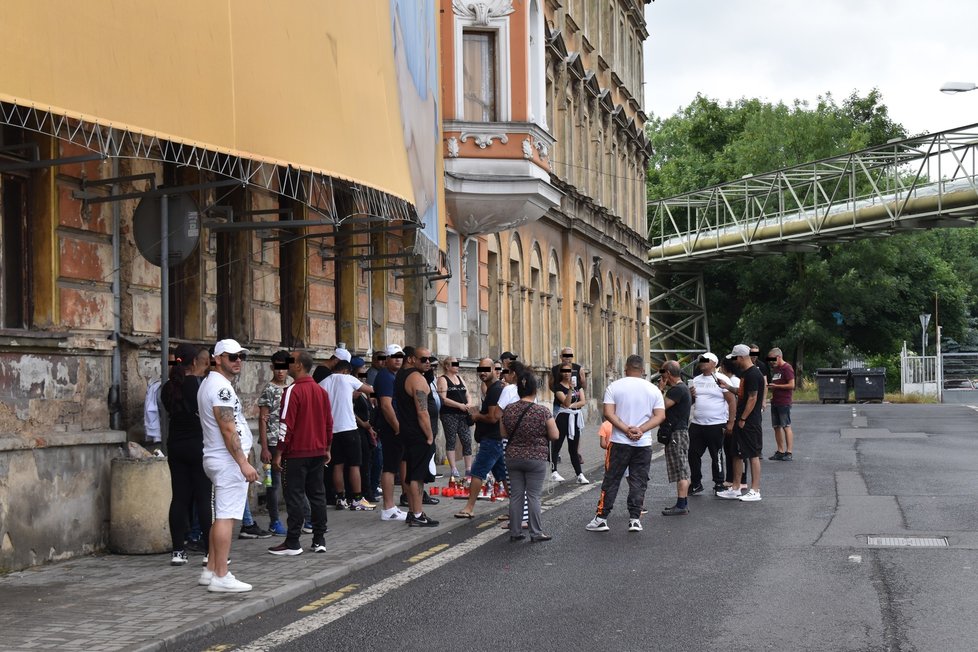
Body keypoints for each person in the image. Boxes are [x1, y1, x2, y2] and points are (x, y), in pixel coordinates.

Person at [197, 339, 258, 592]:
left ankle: (211, 569)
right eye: (232, 356)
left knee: (221, 515)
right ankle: (221, 575)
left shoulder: (210, 384)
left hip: (219, 458)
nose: (238, 361)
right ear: (218, 357)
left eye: (241, 356)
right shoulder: (220, 388)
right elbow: (227, 428)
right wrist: (243, 463)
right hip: (227, 460)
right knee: (226, 517)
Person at [586, 354, 664, 533]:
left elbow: (608, 413)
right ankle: (635, 519)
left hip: (619, 441)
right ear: (643, 371)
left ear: (626, 369)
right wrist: (641, 430)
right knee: (639, 480)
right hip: (643, 443)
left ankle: (601, 518)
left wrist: (625, 429)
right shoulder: (653, 389)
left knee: (612, 479)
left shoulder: (614, 386)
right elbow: (660, 416)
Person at [268, 350, 333, 555]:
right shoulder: (320, 391)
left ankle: (293, 541)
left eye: (291, 361)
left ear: (299, 366)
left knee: (294, 495)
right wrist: (327, 447)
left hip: (296, 453)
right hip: (317, 451)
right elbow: (328, 423)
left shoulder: (292, 391)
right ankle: (319, 539)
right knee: (317, 495)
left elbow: (285, 424)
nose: (287, 364)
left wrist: (279, 452)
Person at [162, 343, 211, 566]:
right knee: (203, 497)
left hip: (175, 446)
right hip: (198, 445)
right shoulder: (199, 386)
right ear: (194, 362)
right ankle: (210, 552)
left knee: (179, 498)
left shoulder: (168, 387)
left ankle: (178, 551)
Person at [500, 370, 559, 542]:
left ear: (518, 391)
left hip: (512, 457)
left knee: (516, 495)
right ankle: (536, 533)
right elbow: (555, 435)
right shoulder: (542, 411)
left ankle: (515, 531)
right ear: (535, 391)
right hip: (536, 458)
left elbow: (503, 433)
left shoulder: (508, 410)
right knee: (533, 495)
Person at [320, 359, 375, 511]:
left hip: (332, 430)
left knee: (337, 464)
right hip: (349, 428)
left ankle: (340, 498)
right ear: (345, 371)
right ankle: (357, 499)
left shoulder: (324, 383)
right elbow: (369, 389)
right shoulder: (348, 378)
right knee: (354, 465)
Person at [394, 346, 439, 527]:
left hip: (407, 431)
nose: (428, 362)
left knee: (411, 473)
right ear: (411, 359)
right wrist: (429, 436)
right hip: (418, 434)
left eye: (429, 359)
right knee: (417, 476)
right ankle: (418, 515)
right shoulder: (417, 379)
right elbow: (423, 412)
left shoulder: (401, 376)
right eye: (423, 359)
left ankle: (413, 512)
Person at [454, 359, 505, 519]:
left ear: (493, 369)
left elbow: (492, 418)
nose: (482, 372)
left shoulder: (495, 390)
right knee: (503, 476)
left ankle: (469, 508)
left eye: (485, 369)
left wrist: (476, 416)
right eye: (480, 369)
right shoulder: (493, 389)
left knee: (477, 472)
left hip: (492, 439)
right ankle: (516, 511)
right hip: (495, 439)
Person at [716, 344, 765, 502]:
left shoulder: (753, 374)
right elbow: (743, 393)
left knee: (753, 454)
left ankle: (755, 490)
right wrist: (727, 387)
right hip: (741, 420)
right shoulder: (745, 374)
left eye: (735, 358)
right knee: (736, 454)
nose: (734, 361)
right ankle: (736, 488)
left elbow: (752, 398)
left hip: (749, 422)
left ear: (742, 357)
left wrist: (743, 418)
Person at [687, 352, 736, 496]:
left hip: (716, 423)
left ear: (714, 363)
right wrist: (691, 396)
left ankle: (719, 483)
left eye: (705, 361)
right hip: (697, 423)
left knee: (717, 455)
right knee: (693, 454)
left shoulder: (722, 379)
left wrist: (731, 422)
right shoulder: (695, 380)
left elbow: (731, 401)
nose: (702, 363)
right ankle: (696, 483)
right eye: (701, 361)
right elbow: (691, 402)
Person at [256, 350, 291, 536]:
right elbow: (262, 418)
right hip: (272, 441)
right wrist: (263, 446)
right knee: (273, 484)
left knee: (292, 482)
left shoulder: (292, 386)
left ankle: (300, 518)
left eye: (283, 367)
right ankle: (274, 521)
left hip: (290, 441)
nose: (280, 371)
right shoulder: (268, 389)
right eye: (277, 367)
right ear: (272, 367)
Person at [375, 344, 409, 521]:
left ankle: (391, 506)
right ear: (386, 359)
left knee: (394, 465)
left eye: (400, 356)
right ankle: (388, 508)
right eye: (394, 356)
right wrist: (397, 428)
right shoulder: (385, 377)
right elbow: (386, 406)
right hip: (390, 428)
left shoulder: (392, 376)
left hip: (394, 427)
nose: (397, 359)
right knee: (389, 467)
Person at [658, 360, 693, 516]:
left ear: (669, 374)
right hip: (681, 432)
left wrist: (660, 389)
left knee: (681, 470)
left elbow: (659, 407)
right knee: (683, 468)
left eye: (662, 372)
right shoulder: (683, 388)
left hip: (676, 434)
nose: (661, 375)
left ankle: (681, 505)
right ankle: (682, 503)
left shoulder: (677, 390)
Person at [551, 362, 588, 484]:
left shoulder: (578, 386)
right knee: (557, 445)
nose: (567, 373)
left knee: (573, 448)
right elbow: (565, 403)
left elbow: (583, 402)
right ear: (560, 373)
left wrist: (572, 405)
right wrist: (570, 391)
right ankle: (554, 471)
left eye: (569, 371)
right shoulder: (558, 387)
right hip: (563, 418)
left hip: (575, 418)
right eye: (564, 371)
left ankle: (579, 474)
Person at [437, 355, 473, 479]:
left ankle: (468, 468)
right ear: (447, 366)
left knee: (467, 440)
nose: (457, 366)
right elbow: (443, 398)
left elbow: (467, 393)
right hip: (449, 414)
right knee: (451, 440)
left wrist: (468, 403)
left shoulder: (459, 378)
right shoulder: (443, 379)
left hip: (463, 414)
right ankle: (453, 468)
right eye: (454, 364)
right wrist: (459, 405)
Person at [351, 357, 379, 502]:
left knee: (373, 460)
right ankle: (365, 492)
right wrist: (363, 424)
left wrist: (371, 395)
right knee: (364, 462)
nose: (364, 370)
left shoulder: (363, 384)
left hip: (369, 428)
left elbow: (372, 393)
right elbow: (350, 408)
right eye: (362, 367)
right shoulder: (352, 388)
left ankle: (371, 489)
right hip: (360, 429)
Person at [767, 347, 795, 461]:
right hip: (775, 401)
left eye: (773, 360)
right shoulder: (776, 369)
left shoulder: (787, 368)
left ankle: (789, 452)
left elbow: (792, 385)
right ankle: (780, 450)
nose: (771, 362)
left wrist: (776, 387)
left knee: (786, 426)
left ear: (778, 357)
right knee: (776, 427)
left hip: (784, 402)